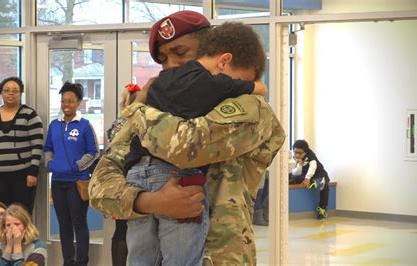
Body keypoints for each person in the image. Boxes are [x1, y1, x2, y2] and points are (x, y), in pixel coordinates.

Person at [89, 10, 285, 265]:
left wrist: (137, 108)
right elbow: (100, 187)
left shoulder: (250, 108)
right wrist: (149, 202)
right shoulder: (156, 111)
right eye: (163, 59)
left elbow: (187, 146)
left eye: (180, 53)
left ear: (210, 52)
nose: (170, 65)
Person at [44, 81, 99, 266]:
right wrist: (50, 163)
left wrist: (77, 166)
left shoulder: (84, 125)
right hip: (58, 182)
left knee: (79, 223)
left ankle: (82, 262)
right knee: (64, 224)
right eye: (63, 101)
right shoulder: (54, 125)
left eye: (71, 101)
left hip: (78, 182)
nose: (66, 104)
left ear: (78, 103)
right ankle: (68, 261)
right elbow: (48, 148)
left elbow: (93, 152)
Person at [0, 76, 44, 214]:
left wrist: (33, 172)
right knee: (2, 217)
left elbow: (37, 146)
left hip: (23, 176)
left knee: (22, 216)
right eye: (7, 90)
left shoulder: (30, 115)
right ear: (1, 93)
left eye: (15, 90)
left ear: (20, 93)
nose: (11, 93)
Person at [106, 84, 140, 266]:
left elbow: (112, 145)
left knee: (121, 228)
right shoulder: (145, 120)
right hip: (138, 177)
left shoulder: (121, 121)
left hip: (123, 178)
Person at [291, 139, 330, 219]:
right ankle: (312, 183)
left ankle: (323, 208)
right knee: (292, 176)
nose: (297, 155)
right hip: (307, 176)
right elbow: (297, 173)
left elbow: (313, 166)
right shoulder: (296, 157)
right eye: (295, 152)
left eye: (300, 153)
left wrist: (307, 178)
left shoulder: (310, 154)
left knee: (324, 183)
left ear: (305, 152)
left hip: (319, 176)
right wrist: (299, 164)